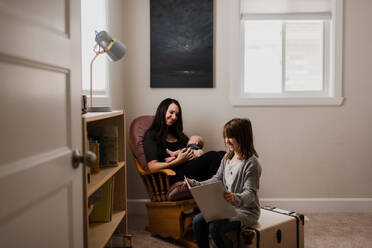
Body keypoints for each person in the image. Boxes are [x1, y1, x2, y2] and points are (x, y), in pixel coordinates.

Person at [187, 118, 262, 248]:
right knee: (197, 221)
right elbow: (217, 179)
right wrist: (195, 184)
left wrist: (235, 198)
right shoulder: (227, 157)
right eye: (225, 137)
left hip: (246, 211)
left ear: (242, 137)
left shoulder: (252, 163)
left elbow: (250, 194)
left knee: (215, 227)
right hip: (227, 208)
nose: (226, 141)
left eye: (231, 137)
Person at [143, 98, 225, 184]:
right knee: (213, 156)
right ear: (162, 111)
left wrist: (197, 151)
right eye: (171, 112)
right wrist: (178, 161)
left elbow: (191, 148)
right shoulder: (152, 135)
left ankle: (216, 190)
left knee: (223, 155)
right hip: (172, 175)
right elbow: (152, 167)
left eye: (177, 114)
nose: (174, 117)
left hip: (187, 169)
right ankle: (214, 191)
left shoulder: (178, 135)